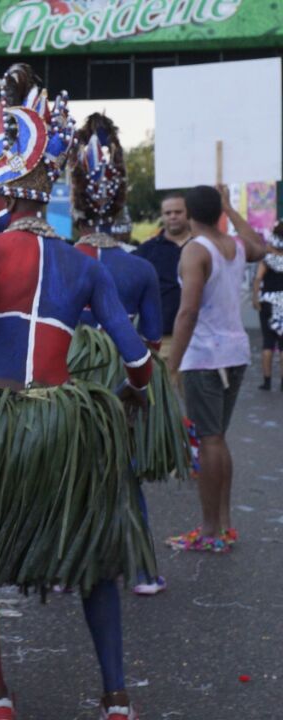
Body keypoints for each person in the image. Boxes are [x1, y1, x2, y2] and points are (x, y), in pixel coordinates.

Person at [0, 64, 153, 720]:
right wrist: (135, 396)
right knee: (95, 560)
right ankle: (115, 698)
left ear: (3, 185)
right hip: (64, 421)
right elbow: (135, 356)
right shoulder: (82, 262)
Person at [67, 113, 184, 597]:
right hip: (126, 380)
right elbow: (153, 339)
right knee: (128, 473)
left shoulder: (62, 260)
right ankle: (143, 571)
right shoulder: (136, 269)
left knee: (71, 472)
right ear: (117, 209)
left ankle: (70, 567)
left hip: (68, 381)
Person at [164, 184, 267, 553]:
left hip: (205, 358)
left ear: (189, 213)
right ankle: (222, 525)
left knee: (209, 441)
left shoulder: (196, 250)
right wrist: (230, 209)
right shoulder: (233, 245)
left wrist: (172, 365)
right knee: (217, 439)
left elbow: (188, 311)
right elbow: (259, 244)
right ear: (218, 212)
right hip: (235, 354)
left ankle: (210, 531)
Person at [134, 193, 193, 362]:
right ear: (162, 215)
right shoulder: (147, 250)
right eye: (168, 213)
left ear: (188, 213)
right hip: (162, 338)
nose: (173, 216)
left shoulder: (202, 246)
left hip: (199, 337)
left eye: (178, 212)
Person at [251, 221, 283, 390]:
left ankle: (267, 381)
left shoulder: (268, 259)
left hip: (268, 301)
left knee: (268, 342)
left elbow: (258, 278)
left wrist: (255, 298)